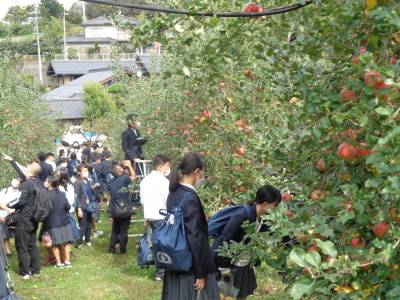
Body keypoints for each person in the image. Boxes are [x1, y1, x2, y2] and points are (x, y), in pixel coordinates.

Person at [161, 152, 219, 299]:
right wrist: (200, 272)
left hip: (176, 258)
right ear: (197, 171)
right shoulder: (190, 197)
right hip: (190, 265)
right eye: (203, 173)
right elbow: (194, 236)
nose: (203, 177)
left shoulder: (173, 192)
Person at [211, 185, 282, 300]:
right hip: (230, 266)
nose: (276, 208)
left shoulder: (262, 218)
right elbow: (225, 240)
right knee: (225, 296)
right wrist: (223, 267)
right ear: (265, 204)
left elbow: (275, 234)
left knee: (240, 296)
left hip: (243, 265)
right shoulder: (241, 216)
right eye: (275, 206)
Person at [5, 161, 42, 279]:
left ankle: (25, 272)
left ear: (30, 171)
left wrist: (9, 204)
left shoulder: (26, 184)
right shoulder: (39, 182)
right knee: (32, 244)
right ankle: (36, 270)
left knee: (21, 246)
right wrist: (12, 161)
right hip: (34, 217)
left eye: (27, 168)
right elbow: (22, 174)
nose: (25, 169)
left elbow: (21, 201)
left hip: (24, 218)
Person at [140, 154, 171, 281]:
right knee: (165, 245)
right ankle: (162, 273)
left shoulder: (144, 181)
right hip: (162, 217)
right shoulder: (164, 182)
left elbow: (143, 201)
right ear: (160, 167)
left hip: (151, 216)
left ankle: (161, 272)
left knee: (156, 244)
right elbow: (168, 201)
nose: (168, 170)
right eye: (166, 167)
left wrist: (146, 217)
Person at [43, 174, 74, 268]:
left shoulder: (47, 195)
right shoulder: (62, 194)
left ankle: (59, 263)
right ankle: (68, 261)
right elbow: (68, 207)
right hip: (64, 221)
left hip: (52, 222)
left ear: (49, 184)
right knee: (66, 242)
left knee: (55, 244)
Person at [108, 160, 136, 255]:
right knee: (124, 230)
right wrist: (130, 166)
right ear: (119, 173)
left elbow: (110, 197)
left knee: (115, 229)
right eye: (121, 170)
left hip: (115, 208)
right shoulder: (124, 178)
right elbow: (134, 177)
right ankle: (122, 250)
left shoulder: (110, 182)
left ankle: (111, 249)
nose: (123, 170)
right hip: (124, 208)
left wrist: (110, 213)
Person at [73, 164, 95, 249]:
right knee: (83, 225)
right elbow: (77, 197)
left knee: (89, 224)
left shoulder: (87, 180)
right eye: (84, 171)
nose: (86, 172)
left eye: (87, 170)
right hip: (82, 206)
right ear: (79, 173)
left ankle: (88, 241)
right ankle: (79, 243)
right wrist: (79, 209)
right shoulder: (77, 183)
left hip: (88, 205)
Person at [0, 178, 22, 259]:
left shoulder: (21, 192)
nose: (15, 181)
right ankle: (8, 253)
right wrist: (8, 209)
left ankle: (20, 250)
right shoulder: (5, 191)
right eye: (15, 179)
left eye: (18, 180)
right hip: (4, 216)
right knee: (5, 235)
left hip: (16, 217)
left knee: (18, 235)